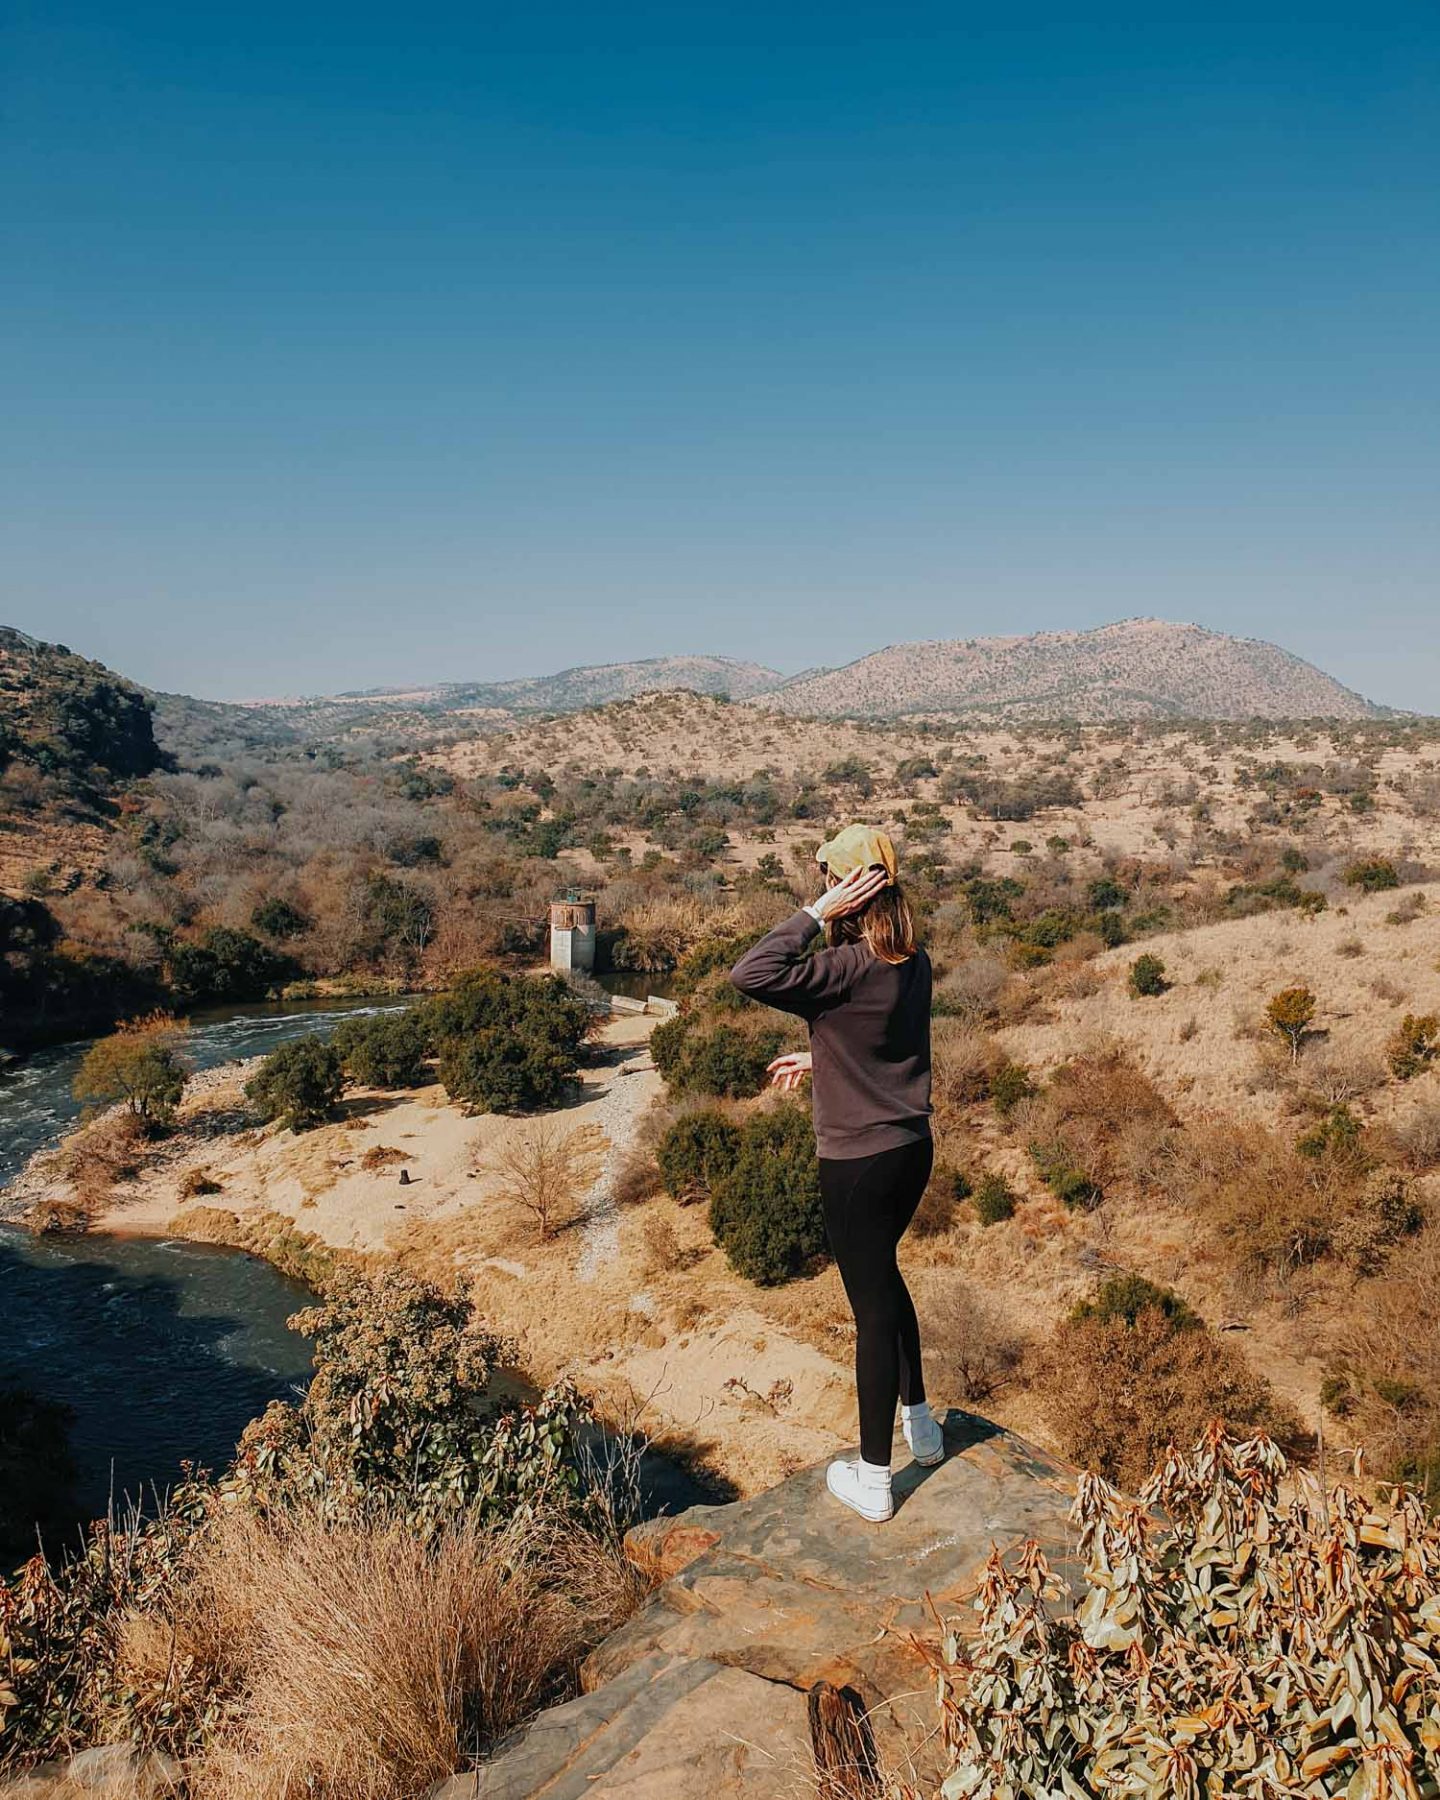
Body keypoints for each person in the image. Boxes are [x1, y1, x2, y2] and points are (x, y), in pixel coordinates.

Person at [729, 825, 939, 1522]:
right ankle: (923, 1428)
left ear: (848, 890)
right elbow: (887, 1041)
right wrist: (824, 1057)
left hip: (856, 1161)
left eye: (826, 879)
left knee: (871, 1310)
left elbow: (751, 972)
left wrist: (813, 915)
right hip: (910, 1148)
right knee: (888, 1280)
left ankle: (876, 1481)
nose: (817, 887)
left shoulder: (843, 967)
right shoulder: (913, 960)